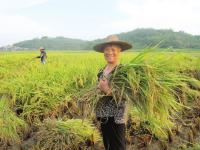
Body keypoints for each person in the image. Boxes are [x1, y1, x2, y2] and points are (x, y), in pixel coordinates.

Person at [93, 35, 132, 150]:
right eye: (107, 49)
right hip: (103, 116)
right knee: (108, 145)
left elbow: (127, 96)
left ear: (119, 51)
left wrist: (108, 91)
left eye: (113, 49)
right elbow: (98, 92)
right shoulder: (101, 71)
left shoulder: (123, 71)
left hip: (117, 117)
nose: (110, 52)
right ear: (103, 52)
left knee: (118, 147)